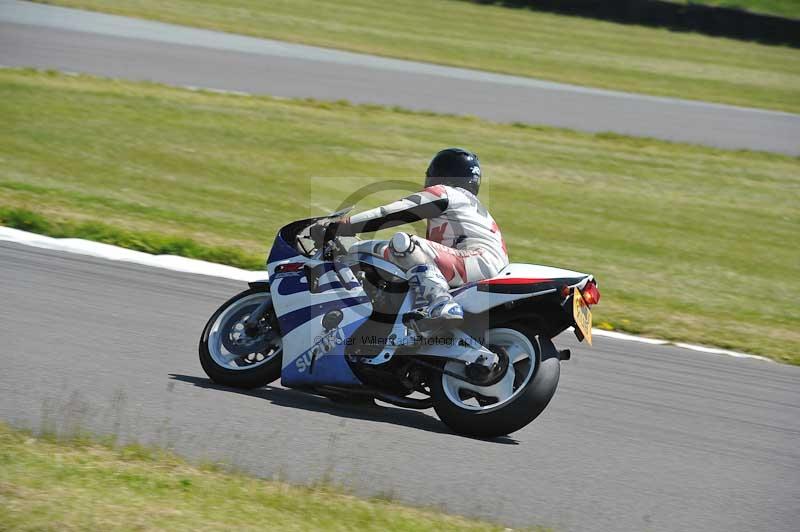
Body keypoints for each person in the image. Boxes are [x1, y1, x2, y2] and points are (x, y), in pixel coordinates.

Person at [331, 148, 509, 326]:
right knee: (388, 253)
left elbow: (392, 212)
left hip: (478, 261)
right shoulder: (471, 206)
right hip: (483, 265)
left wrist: (342, 225)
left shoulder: (447, 193)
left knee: (406, 244)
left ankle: (441, 304)